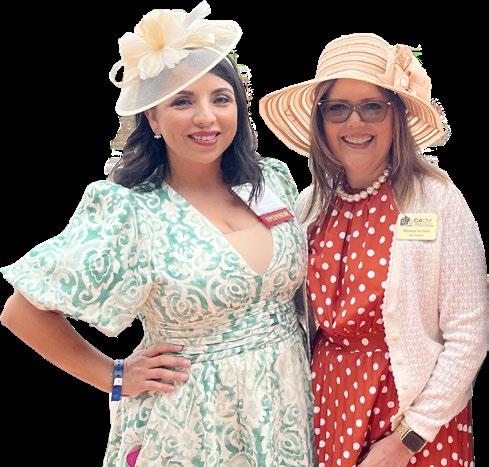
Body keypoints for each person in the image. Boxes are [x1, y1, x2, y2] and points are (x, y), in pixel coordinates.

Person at [0, 2, 314, 465]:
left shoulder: (271, 181)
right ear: (152, 118)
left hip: (285, 404)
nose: (206, 117)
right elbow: (22, 312)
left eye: (220, 98)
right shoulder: (129, 209)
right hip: (190, 422)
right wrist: (113, 376)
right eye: (182, 101)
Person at [259, 33, 487, 467]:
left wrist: (408, 438)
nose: (355, 122)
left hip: (416, 422)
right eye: (337, 108)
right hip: (328, 408)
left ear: (395, 115)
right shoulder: (308, 207)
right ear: (320, 121)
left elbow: (468, 335)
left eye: (372, 106)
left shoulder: (437, 200)